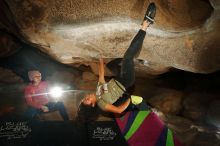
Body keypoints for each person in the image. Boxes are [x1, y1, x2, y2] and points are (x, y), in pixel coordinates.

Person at [80, 3, 156, 114]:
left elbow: (101, 76)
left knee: (110, 65)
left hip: (118, 78)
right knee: (128, 58)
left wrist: (100, 58)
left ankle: (131, 54)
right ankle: (146, 24)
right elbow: (119, 110)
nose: (87, 97)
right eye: (87, 100)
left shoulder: (98, 92)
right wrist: (130, 100)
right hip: (125, 80)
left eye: (85, 97)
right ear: (92, 104)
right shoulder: (102, 104)